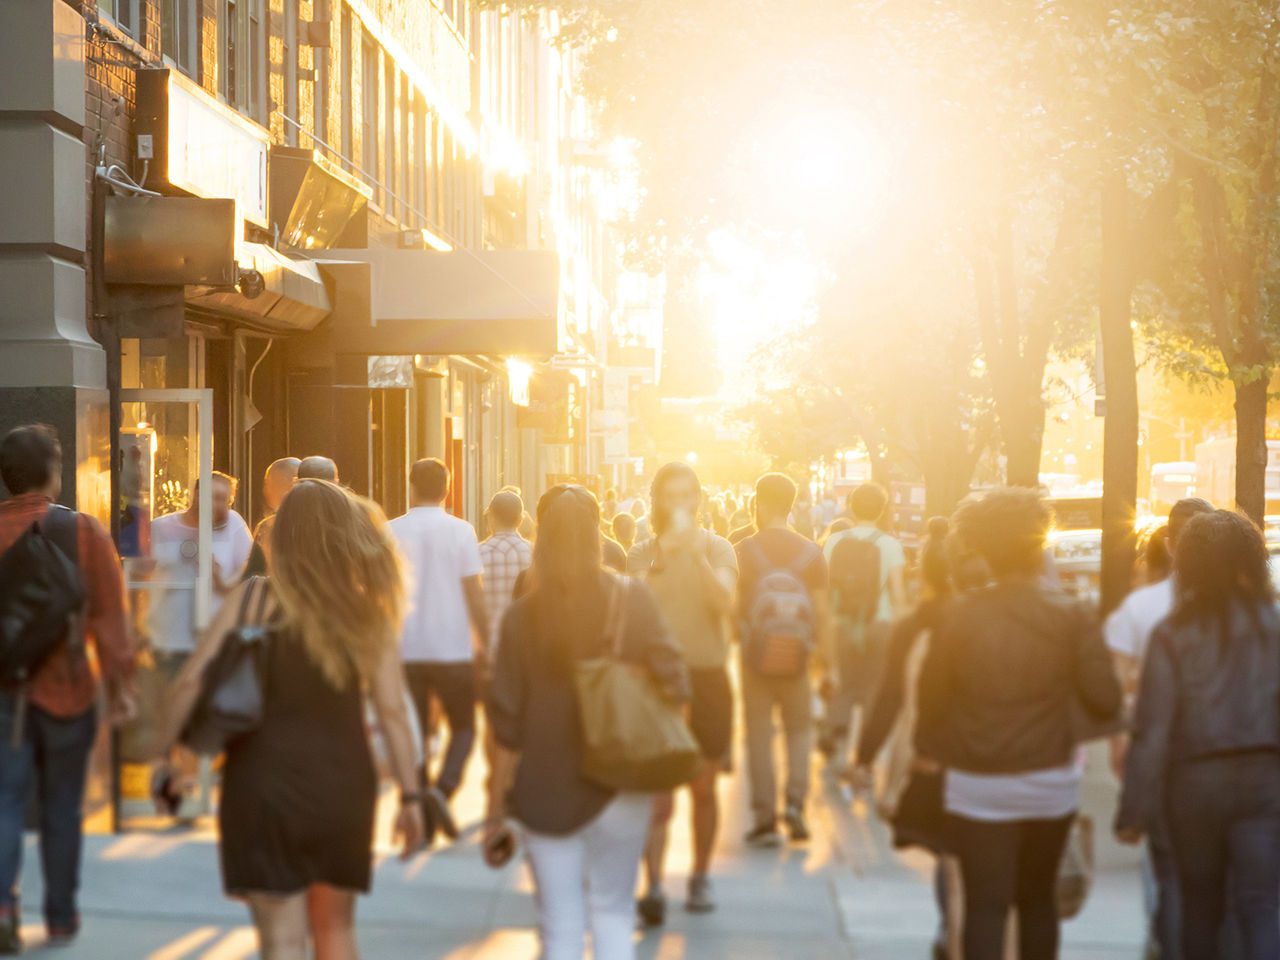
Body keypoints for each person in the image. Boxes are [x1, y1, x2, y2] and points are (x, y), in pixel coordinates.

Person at [158, 479, 424, 959]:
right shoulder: (365, 609)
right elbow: (393, 713)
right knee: (335, 930)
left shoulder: (252, 599)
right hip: (342, 786)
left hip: (261, 784)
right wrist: (411, 796)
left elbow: (192, 681)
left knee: (281, 940)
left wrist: (171, 758)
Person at [915, 488, 1122, 960]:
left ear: (983, 550)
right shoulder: (1072, 615)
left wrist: (929, 750)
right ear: (1038, 546)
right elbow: (1105, 697)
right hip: (1048, 778)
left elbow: (931, 700)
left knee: (986, 904)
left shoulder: (958, 616)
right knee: (1037, 902)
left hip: (975, 782)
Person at [486, 485, 689, 960]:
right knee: (614, 912)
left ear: (543, 538)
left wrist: (496, 806)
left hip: (545, 789)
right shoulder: (632, 599)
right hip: (623, 781)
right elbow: (675, 681)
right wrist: (665, 784)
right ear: (597, 534)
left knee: (560, 923)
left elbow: (506, 726)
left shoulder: (521, 618)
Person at [1117, 510, 1280, 960]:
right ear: (1252, 561)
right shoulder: (1276, 627)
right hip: (1265, 783)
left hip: (1193, 787)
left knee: (1199, 906)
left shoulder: (1172, 634)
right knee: (1262, 905)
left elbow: (1152, 731)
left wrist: (1133, 810)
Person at [0, 425, 135, 951]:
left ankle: (3, 909)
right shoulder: (84, 533)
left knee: (3, 801)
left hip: (3, 691)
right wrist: (122, 686)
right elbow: (111, 620)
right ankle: (59, 916)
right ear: (55, 473)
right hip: (68, 688)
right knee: (62, 807)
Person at [627, 461, 737, 920]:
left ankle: (699, 876)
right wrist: (666, 556)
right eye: (670, 496)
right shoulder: (641, 553)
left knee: (705, 787)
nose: (679, 504)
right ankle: (652, 885)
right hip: (656, 682)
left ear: (698, 499)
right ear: (657, 502)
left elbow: (725, 603)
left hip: (708, 678)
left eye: (686, 495)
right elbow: (630, 612)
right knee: (656, 790)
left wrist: (693, 555)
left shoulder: (719, 549)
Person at [1105, 497, 1213, 960]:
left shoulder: (1142, 606)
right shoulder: (1245, 606)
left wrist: (1119, 742)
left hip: (1161, 752)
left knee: (1165, 866)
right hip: (1226, 750)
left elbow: (1119, 686)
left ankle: (1165, 942)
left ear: (1169, 543)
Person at [389, 459, 489, 842]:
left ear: (410, 485)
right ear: (447, 489)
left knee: (412, 732)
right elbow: (474, 594)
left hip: (406, 646)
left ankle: (419, 809)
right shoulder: (461, 532)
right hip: (452, 648)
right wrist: (486, 640)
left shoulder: (390, 531)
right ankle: (441, 791)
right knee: (463, 726)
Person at [736, 473, 831, 846]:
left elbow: (731, 606)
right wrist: (826, 662)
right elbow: (822, 614)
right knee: (799, 731)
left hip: (754, 658)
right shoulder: (812, 553)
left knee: (758, 734)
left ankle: (764, 816)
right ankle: (795, 804)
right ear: (791, 505)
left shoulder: (742, 549)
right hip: (798, 657)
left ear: (758, 502)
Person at [820, 483, 907, 771]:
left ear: (852, 507)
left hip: (842, 623)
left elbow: (825, 585)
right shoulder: (890, 544)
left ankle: (836, 741)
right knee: (871, 688)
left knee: (843, 684)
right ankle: (863, 759)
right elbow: (897, 593)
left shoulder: (835, 541)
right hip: (878, 624)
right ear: (882, 510)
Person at [148, 472, 254, 673]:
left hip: (216, 638)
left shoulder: (233, 524)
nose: (220, 505)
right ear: (196, 494)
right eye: (214, 497)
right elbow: (138, 576)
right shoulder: (161, 527)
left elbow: (248, 572)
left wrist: (220, 580)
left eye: (225, 500)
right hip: (170, 639)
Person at [478, 490, 533, 657]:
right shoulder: (535, 554)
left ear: (491, 517)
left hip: (487, 647)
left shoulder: (477, 554)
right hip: (526, 647)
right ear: (521, 520)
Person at [243, 457, 300, 577]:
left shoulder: (268, 527)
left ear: (280, 483)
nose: (264, 490)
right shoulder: (322, 523)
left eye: (267, 483)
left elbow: (254, 573)